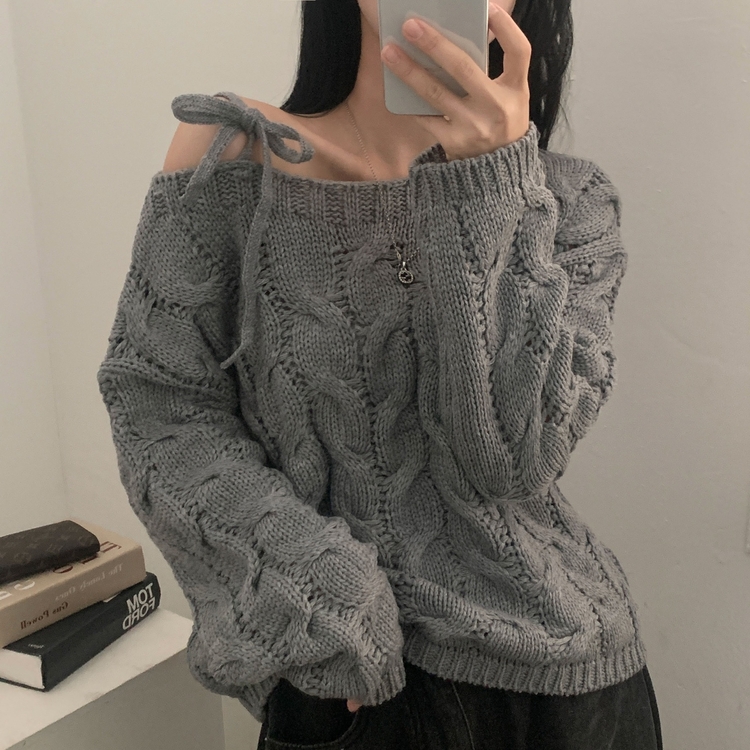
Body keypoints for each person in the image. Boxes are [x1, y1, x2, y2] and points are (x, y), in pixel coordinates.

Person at [97, 0, 663, 748]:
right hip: (350, 690)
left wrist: (490, 183)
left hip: (572, 692)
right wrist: (318, 587)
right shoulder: (234, 154)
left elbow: (512, 459)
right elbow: (160, 407)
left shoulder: (567, 203)